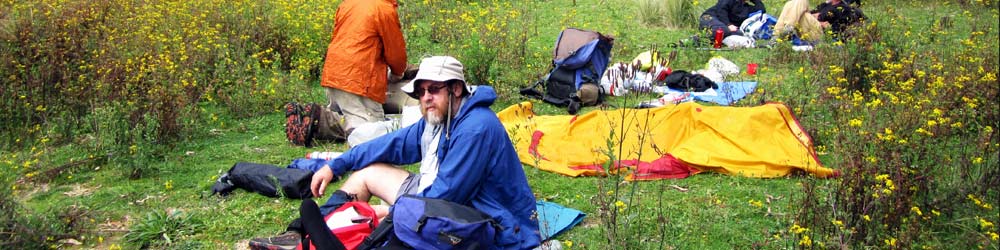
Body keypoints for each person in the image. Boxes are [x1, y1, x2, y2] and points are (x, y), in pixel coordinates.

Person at [250, 56, 541, 249]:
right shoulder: (439, 118)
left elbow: (446, 195)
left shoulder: (475, 128)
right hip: (442, 193)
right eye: (421, 91)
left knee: (404, 221)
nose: (425, 98)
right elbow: (391, 145)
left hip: (488, 216)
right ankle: (302, 234)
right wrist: (336, 165)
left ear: (455, 89)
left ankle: (344, 241)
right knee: (366, 174)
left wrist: (389, 211)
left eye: (434, 90)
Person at [316, 0, 408, 141]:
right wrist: (398, 73)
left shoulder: (348, 3)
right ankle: (318, 122)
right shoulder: (384, 9)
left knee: (349, 115)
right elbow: (395, 52)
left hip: (334, 74)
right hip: (358, 80)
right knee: (372, 132)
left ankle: (321, 119)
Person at [774, 0, 865, 42]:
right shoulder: (825, 5)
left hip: (821, 36)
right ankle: (776, 36)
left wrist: (818, 19)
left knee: (801, 5)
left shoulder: (842, 8)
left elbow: (824, 19)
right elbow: (812, 14)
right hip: (810, 28)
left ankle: (781, 33)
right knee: (791, 4)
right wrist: (814, 16)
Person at [699, 0, 768, 38]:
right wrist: (728, 24)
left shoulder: (747, 8)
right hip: (710, 18)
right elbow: (721, 10)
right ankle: (699, 38)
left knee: (739, 34)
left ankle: (716, 39)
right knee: (723, 30)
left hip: (725, 27)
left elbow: (762, 10)